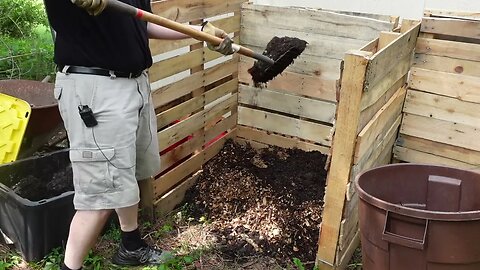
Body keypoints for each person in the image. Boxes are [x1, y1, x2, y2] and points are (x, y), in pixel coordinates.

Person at [42, 0, 234, 269]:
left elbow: (145, 24)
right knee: (101, 193)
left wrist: (199, 31)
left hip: (134, 85)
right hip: (95, 90)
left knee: (126, 172)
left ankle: (130, 246)